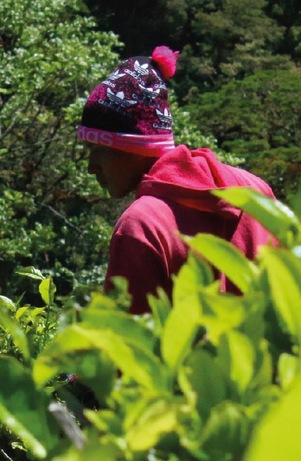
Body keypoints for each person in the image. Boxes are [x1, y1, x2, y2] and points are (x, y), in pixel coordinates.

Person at [78, 46, 275, 314]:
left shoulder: (141, 226)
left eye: (99, 149)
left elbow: (126, 346)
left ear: (135, 147)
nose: (91, 167)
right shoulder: (254, 189)